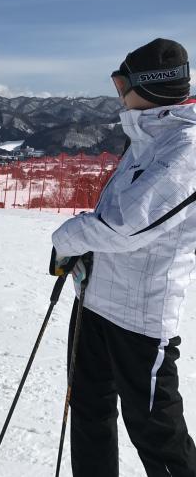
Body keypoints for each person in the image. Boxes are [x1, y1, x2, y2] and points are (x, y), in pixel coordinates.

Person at [51, 38, 196, 476]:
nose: (117, 92)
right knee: (89, 412)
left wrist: (66, 240)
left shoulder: (186, 149)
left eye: (120, 82)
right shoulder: (146, 136)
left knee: (156, 434)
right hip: (95, 304)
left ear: (150, 86)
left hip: (141, 319)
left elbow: (124, 225)